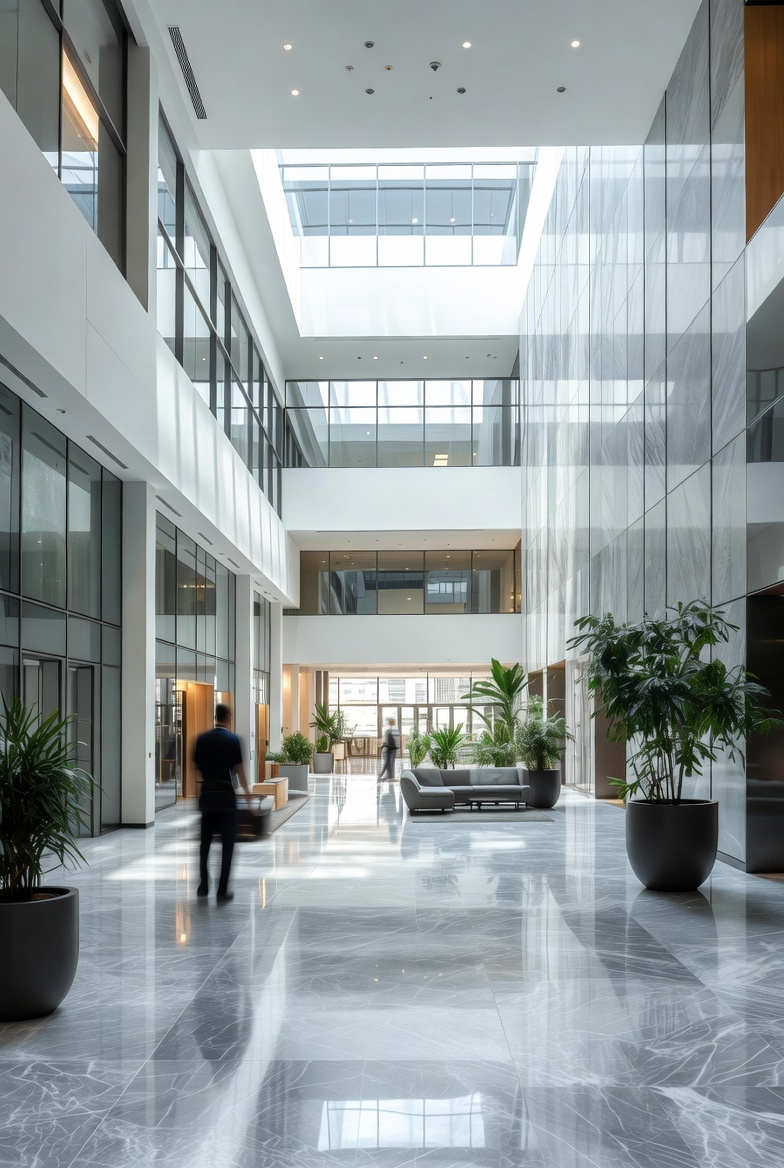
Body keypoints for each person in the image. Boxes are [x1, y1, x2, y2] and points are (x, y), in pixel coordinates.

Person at [194, 703, 251, 902]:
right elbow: (239, 771)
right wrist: (248, 795)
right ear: (228, 718)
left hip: (207, 796)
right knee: (227, 845)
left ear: (215, 716)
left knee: (205, 844)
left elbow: (197, 769)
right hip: (226, 798)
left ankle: (203, 885)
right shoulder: (233, 740)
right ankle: (222, 889)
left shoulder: (202, 739)